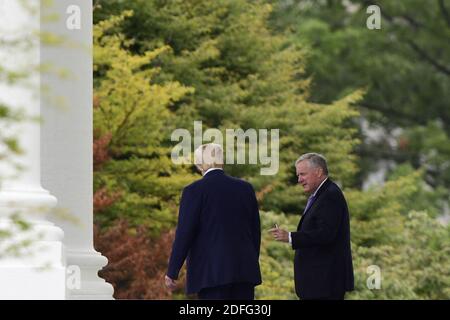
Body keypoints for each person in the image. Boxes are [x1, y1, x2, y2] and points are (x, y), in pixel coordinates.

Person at [165, 143, 262, 299]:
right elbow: (255, 231)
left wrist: (172, 271)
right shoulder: (246, 188)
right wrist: (249, 260)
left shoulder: (194, 191)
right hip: (244, 271)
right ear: (221, 160)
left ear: (199, 164)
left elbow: (185, 233)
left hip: (211, 274)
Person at [270, 153, 354, 300]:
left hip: (325, 284)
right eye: (298, 175)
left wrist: (290, 237)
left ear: (319, 172)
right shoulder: (322, 194)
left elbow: (325, 234)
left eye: (303, 174)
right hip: (318, 283)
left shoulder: (330, 195)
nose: (299, 180)